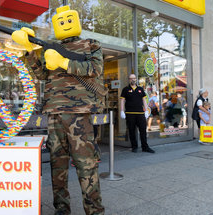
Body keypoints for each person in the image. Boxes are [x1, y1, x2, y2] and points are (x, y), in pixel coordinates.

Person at [12, 5, 104, 215]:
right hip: (54, 114)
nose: (64, 24)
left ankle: (95, 211)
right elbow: (42, 75)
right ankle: (61, 209)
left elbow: (95, 69)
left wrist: (64, 62)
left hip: (80, 113)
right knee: (57, 166)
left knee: (86, 166)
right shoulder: (50, 47)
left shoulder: (91, 44)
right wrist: (30, 51)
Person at [120, 74, 155, 153]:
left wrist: (146, 111)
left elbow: (144, 101)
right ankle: (134, 147)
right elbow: (122, 101)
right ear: (129, 79)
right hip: (129, 113)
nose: (133, 80)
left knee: (143, 130)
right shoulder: (125, 89)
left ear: (136, 79)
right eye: (131, 78)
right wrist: (122, 111)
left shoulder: (140, 89)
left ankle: (145, 147)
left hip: (140, 113)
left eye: (134, 78)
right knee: (131, 131)